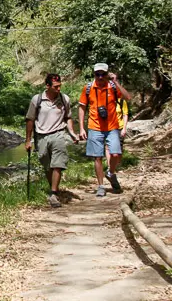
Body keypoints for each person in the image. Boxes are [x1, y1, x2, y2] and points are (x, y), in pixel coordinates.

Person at [77, 63, 132, 197]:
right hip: (94, 127)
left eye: (103, 74)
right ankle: (101, 185)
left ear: (107, 74)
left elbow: (127, 97)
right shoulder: (88, 88)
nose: (100, 77)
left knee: (115, 154)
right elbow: (82, 107)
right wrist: (81, 128)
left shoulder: (112, 87)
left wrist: (116, 82)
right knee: (97, 157)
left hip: (112, 127)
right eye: (97, 74)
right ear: (94, 74)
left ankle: (110, 173)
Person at [25, 73, 76, 208]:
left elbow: (68, 117)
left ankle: (53, 193)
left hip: (58, 134)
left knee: (57, 164)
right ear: (47, 86)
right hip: (41, 136)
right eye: (55, 87)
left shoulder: (64, 99)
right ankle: (54, 187)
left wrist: (72, 133)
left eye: (60, 86)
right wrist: (28, 140)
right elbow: (30, 119)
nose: (59, 89)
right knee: (46, 164)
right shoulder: (37, 100)